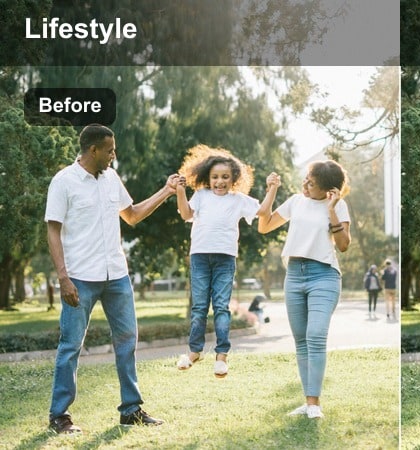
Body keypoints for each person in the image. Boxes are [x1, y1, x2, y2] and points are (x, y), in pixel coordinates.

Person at [44, 124, 175, 434]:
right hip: (80, 277)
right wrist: (63, 278)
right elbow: (53, 230)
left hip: (116, 275)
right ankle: (59, 415)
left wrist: (167, 191)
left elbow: (131, 215)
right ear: (93, 150)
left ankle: (131, 410)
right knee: (70, 346)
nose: (114, 155)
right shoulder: (64, 182)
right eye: (110, 150)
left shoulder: (112, 178)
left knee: (127, 341)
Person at [258, 160, 351, 420]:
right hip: (294, 275)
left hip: (324, 275)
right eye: (306, 180)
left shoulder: (339, 205)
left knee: (316, 335)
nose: (306, 185)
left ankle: (314, 405)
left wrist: (331, 210)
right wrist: (272, 190)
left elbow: (343, 245)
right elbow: (263, 226)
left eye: (312, 183)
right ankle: (309, 402)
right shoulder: (296, 201)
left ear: (329, 190)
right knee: (301, 342)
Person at [174, 145, 276, 378]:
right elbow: (186, 215)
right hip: (200, 256)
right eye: (215, 177)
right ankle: (194, 352)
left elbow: (262, 211)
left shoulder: (238, 200)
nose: (220, 182)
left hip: (225, 259)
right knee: (199, 307)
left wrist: (272, 188)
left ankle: (221, 357)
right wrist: (180, 191)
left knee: (221, 307)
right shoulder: (201, 195)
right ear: (207, 178)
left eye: (225, 177)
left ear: (234, 179)